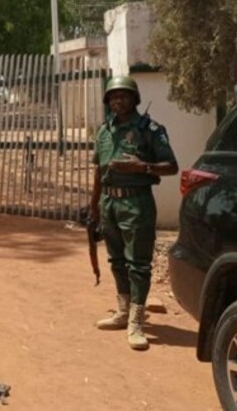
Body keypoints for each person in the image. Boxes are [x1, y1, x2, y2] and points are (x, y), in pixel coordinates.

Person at [90, 76, 178, 351]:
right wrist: (93, 208)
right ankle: (123, 310)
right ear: (108, 101)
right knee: (116, 259)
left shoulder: (150, 129)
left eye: (124, 95)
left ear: (135, 98)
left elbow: (171, 166)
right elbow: (97, 171)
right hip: (109, 203)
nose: (118, 100)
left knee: (138, 264)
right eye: (113, 97)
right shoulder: (104, 132)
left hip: (137, 204)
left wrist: (142, 167)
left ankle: (137, 321)